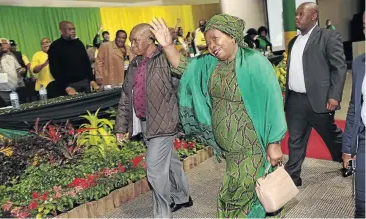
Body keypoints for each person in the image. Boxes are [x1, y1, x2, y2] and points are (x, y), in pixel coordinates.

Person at [150, 14, 286, 218]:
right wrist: (168, 46)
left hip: (252, 148)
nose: (211, 45)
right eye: (208, 40)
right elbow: (185, 67)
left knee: (237, 198)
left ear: (232, 36)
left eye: (216, 38)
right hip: (231, 151)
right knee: (244, 195)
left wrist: (274, 142)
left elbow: (273, 102)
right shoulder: (210, 63)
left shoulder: (254, 62)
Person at [115, 23, 191, 218]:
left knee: (155, 169)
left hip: (165, 123)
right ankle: (182, 196)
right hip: (146, 122)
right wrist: (120, 127)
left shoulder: (166, 59)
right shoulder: (134, 64)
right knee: (170, 160)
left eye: (135, 40)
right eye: (131, 41)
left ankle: (162, 214)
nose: (131, 45)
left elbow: (186, 80)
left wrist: (181, 119)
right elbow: (126, 96)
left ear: (149, 40)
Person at [284, 2, 347, 186]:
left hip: (320, 100)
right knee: (295, 139)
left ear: (314, 17)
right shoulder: (293, 42)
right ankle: (293, 175)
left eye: (301, 14)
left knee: (331, 135)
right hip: (295, 100)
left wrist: (334, 95)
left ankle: (346, 160)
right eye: (296, 14)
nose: (296, 17)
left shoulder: (328, 36)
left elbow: (339, 67)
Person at [342, 12, 365, 218]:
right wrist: (348, 148)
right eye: (365, 26)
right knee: (362, 202)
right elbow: (353, 108)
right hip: (364, 139)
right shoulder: (359, 63)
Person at [48, 21, 99, 98]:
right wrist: (65, 87)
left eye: (74, 29)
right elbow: (54, 69)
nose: (73, 31)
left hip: (85, 82)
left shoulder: (78, 43)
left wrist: (92, 80)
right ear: (62, 31)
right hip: (68, 86)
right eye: (70, 29)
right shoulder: (55, 46)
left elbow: (86, 63)